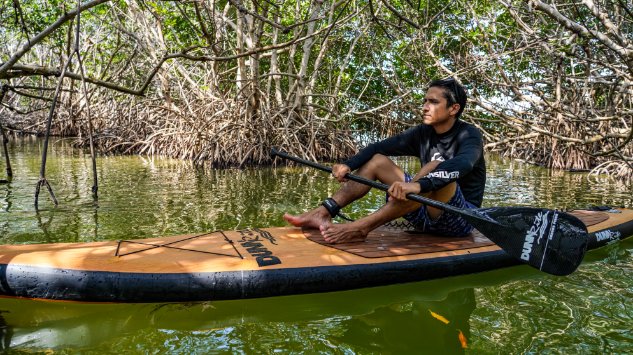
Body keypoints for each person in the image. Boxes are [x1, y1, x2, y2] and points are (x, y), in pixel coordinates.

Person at [284, 77, 486, 243]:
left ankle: (361, 228)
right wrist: (349, 164)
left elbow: (464, 164)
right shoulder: (423, 133)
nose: (425, 107)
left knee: (435, 165)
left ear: (453, 109)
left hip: (460, 219)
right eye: (424, 101)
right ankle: (324, 211)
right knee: (377, 161)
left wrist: (418, 185)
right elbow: (377, 147)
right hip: (420, 209)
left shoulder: (469, 135)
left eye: (433, 102)